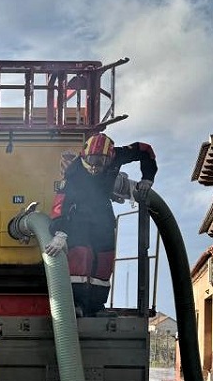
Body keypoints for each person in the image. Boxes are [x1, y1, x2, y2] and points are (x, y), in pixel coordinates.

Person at [44, 133, 158, 316]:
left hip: (103, 216)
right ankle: (76, 304)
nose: (95, 166)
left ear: (110, 158)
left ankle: (97, 306)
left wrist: (147, 178)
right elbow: (61, 204)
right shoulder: (74, 171)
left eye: (100, 162)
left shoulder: (118, 155)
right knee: (80, 256)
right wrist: (60, 232)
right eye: (91, 161)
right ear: (84, 156)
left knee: (104, 260)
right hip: (79, 218)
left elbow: (145, 150)